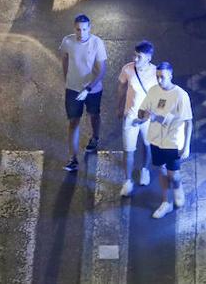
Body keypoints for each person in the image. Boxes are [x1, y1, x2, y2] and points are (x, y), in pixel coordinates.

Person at [134, 61, 193, 219]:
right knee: (160, 171)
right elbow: (141, 111)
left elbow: (188, 122)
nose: (159, 80)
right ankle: (165, 202)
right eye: (157, 77)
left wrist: (186, 147)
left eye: (163, 77)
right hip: (155, 140)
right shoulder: (153, 91)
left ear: (170, 76)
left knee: (173, 175)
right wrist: (145, 115)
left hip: (172, 142)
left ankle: (178, 187)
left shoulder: (180, 95)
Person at [59, 14, 107, 172]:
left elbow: (101, 71)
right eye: (78, 29)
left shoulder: (96, 43)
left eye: (84, 29)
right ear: (74, 28)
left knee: (93, 115)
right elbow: (65, 58)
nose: (81, 33)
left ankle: (95, 137)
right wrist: (67, 78)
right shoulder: (68, 41)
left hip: (93, 90)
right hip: (73, 89)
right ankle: (73, 158)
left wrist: (88, 88)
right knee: (73, 122)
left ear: (89, 28)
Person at [116, 41, 157, 197]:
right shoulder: (128, 69)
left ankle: (145, 170)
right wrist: (119, 107)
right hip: (131, 117)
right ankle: (127, 181)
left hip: (148, 118)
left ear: (148, 58)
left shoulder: (155, 72)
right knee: (129, 150)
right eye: (135, 55)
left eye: (139, 56)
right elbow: (121, 87)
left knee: (147, 146)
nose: (135, 58)